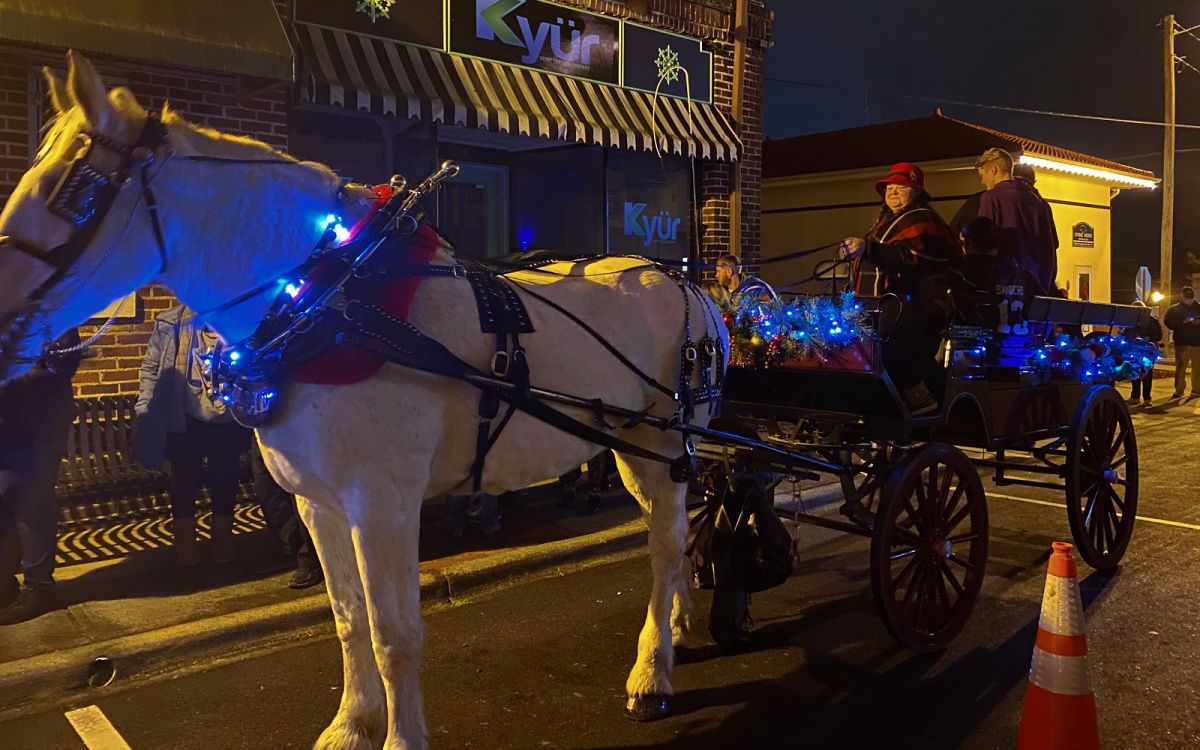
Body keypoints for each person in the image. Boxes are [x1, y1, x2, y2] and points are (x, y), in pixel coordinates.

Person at [841, 162, 963, 416]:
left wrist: (869, 249)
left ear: (916, 192)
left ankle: (919, 396)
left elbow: (909, 257)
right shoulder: (886, 223)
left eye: (901, 187)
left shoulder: (922, 220)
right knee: (855, 333)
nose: (893, 192)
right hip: (895, 300)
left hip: (925, 302)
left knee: (880, 338)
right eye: (890, 188)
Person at [134, 305, 250, 567]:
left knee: (225, 480)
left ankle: (222, 543)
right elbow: (151, 368)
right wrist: (145, 407)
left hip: (227, 416)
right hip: (183, 415)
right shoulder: (171, 323)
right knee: (183, 481)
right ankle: (186, 547)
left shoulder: (237, 322)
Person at [0, 331, 82, 624]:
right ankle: (5, 584)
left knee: (29, 504)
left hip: (34, 424)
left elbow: (61, 364)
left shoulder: (45, 303)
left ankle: (39, 586)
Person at [975, 148, 1059, 297]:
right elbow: (1050, 249)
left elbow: (983, 245)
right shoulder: (1038, 203)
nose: (982, 181)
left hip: (1003, 290)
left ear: (993, 170)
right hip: (1034, 290)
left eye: (982, 175)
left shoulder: (990, 198)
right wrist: (1044, 288)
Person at [250, 442, 323, 589]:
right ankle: (290, 547)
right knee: (267, 489)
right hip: (263, 425)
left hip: (296, 424)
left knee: (298, 486)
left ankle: (311, 557)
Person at [1163, 286, 1200, 399]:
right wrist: (1182, 322)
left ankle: (1196, 390)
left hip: (1197, 342)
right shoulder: (1174, 309)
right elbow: (1168, 322)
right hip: (1182, 342)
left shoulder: (1198, 307)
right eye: (1186, 297)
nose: (1188, 300)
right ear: (1182, 296)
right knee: (1180, 367)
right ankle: (1179, 390)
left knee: (1197, 368)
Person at [1124, 300, 1162, 405]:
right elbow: (1126, 334)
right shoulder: (1131, 322)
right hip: (1134, 350)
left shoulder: (1152, 321)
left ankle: (1146, 398)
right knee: (1135, 373)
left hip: (1147, 350)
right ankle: (1135, 396)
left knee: (1147, 373)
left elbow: (1158, 335)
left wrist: (1145, 341)